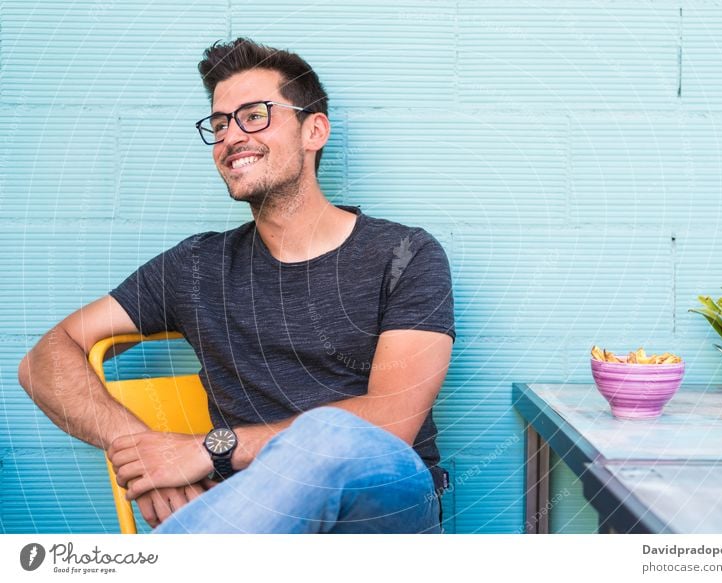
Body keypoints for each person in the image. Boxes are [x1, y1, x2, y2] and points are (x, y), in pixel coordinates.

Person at [18, 38, 455, 534]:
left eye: (254, 115)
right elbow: (44, 359)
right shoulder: (197, 265)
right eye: (221, 123)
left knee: (331, 433)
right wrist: (147, 452)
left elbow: (390, 420)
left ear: (314, 131)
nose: (230, 137)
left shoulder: (405, 254)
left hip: (385, 512)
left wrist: (206, 450)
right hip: (255, 520)